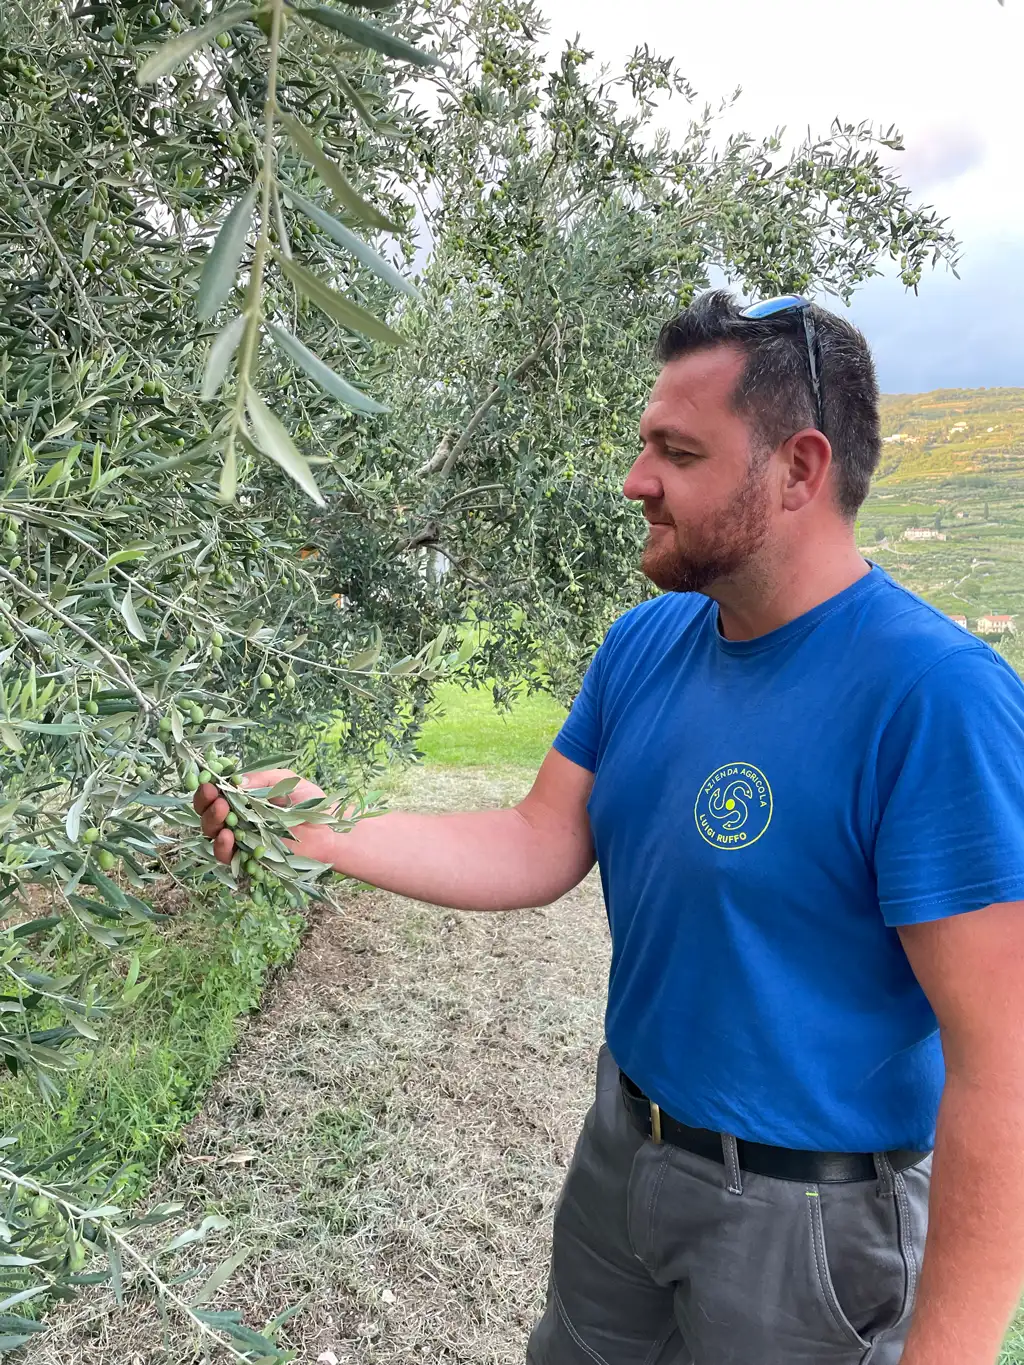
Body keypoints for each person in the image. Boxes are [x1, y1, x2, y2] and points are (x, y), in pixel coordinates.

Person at [195, 290, 1024, 1365]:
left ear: (799, 470)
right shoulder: (647, 643)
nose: (637, 481)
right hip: (625, 1155)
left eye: (676, 452)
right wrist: (331, 833)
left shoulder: (933, 699)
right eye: (644, 446)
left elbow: (1000, 1065)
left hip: (807, 1226)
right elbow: (541, 837)